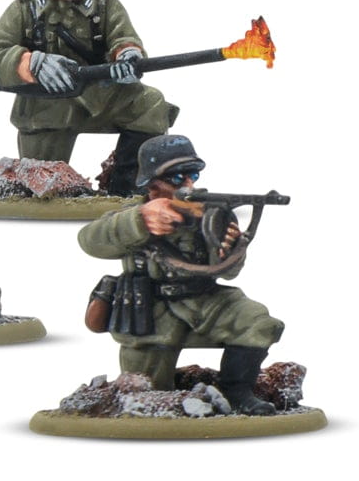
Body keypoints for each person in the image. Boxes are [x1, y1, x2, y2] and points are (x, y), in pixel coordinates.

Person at [77, 132, 286, 408]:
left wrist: (231, 248)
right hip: (148, 310)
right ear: (152, 184)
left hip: (204, 301)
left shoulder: (211, 213)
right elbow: (89, 240)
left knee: (256, 320)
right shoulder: (131, 215)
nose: (188, 183)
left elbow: (228, 272)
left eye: (193, 175)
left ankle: (237, 394)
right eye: (177, 177)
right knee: (146, 392)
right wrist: (140, 221)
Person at [0, 0, 174, 195]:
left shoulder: (105, 4)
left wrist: (128, 55)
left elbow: (123, 36)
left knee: (150, 103)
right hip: (46, 107)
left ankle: (128, 188)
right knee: (41, 181)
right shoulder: (25, 10)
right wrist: (31, 63)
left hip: (101, 97)